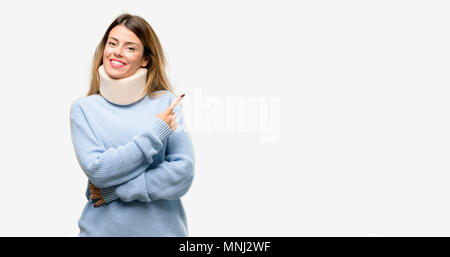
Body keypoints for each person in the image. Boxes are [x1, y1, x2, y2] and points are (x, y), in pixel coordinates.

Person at [69, 13, 195, 236]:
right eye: (112, 43)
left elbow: (182, 174)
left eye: (130, 47)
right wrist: (155, 132)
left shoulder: (167, 103)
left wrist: (114, 192)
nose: (117, 51)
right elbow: (98, 170)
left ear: (145, 59)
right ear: (104, 49)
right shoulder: (84, 109)